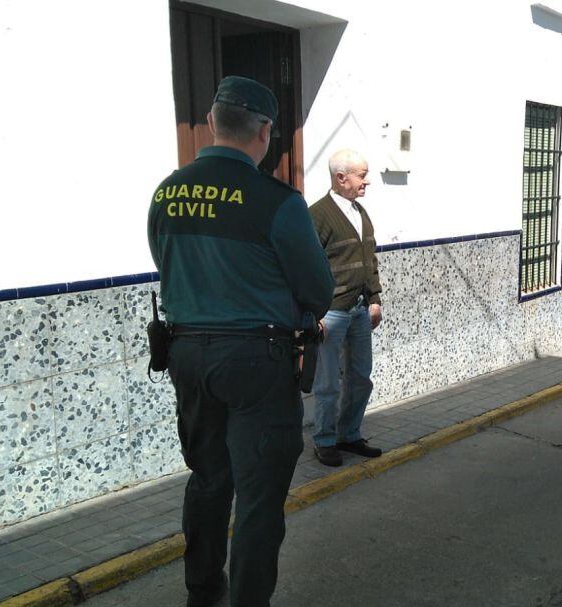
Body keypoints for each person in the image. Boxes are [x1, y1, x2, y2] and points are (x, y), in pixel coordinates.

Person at [147, 76, 334, 607]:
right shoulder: (276, 201)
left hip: (187, 356)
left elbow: (166, 264)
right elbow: (317, 289)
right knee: (257, 499)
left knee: (208, 481)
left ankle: (203, 594)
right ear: (265, 130)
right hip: (257, 361)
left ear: (212, 122)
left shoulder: (167, 192)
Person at [308, 149, 385, 466]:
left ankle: (349, 435)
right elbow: (307, 267)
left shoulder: (360, 212)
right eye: (361, 175)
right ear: (341, 178)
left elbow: (370, 260)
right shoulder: (317, 216)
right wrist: (313, 312)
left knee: (360, 377)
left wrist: (375, 298)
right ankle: (325, 440)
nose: (367, 181)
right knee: (327, 383)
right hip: (331, 313)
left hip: (360, 311)